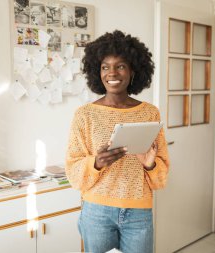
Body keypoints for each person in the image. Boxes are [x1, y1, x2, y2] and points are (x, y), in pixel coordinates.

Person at [65, 30, 170, 253]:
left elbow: (161, 178)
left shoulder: (150, 113)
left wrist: (149, 164)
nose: (112, 72)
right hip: (97, 211)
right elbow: (73, 170)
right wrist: (96, 163)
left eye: (120, 65)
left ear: (133, 71)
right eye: (105, 66)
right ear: (97, 72)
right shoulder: (84, 115)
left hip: (139, 212)